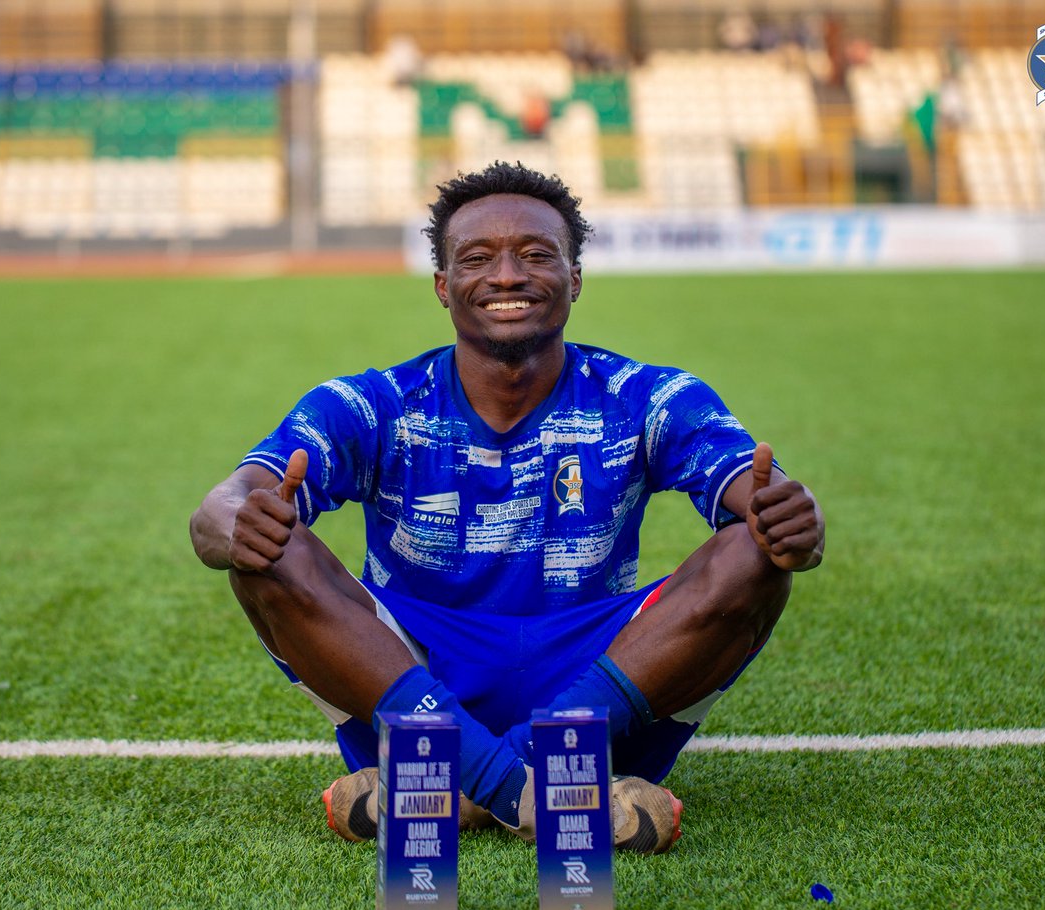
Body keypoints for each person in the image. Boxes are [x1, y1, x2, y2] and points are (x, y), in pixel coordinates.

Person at [189, 161, 824, 855]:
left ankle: (458, 789)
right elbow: (221, 508)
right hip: (416, 681)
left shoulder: (647, 396)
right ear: (443, 286)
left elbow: (759, 493)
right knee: (265, 552)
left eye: (536, 255)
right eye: (478, 258)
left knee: (754, 552)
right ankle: (536, 792)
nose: (507, 276)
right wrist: (237, 523)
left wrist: (790, 518)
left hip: (598, 682)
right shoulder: (375, 404)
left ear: (574, 278)